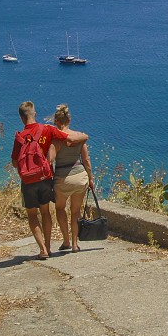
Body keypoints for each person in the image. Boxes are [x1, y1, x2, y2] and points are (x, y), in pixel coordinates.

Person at [11, 101, 85, 260]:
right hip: (44, 178)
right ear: (34, 114)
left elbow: (15, 162)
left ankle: (43, 249)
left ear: (22, 118)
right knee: (45, 212)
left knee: (32, 215)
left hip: (28, 181)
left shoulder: (19, 137)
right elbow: (69, 137)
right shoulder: (46, 129)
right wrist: (85, 136)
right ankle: (49, 246)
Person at [50, 103, 93, 252]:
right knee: (75, 211)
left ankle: (66, 241)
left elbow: (50, 159)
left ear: (56, 121)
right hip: (80, 176)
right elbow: (86, 160)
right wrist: (91, 179)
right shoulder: (79, 137)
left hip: (62, 178)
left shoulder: (56, 140)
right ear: (69, 120)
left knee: (60, 208)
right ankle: (75, 244)